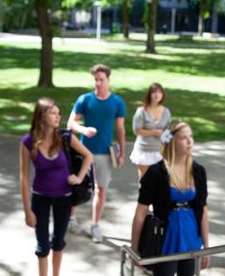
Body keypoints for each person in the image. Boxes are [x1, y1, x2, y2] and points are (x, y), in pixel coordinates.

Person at [20, 98, 93, 276]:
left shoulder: (65, 137)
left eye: (59, 113)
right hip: (40, 198)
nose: (58, 117)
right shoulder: (28, 142)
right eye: (53, 113)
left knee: (58, 242)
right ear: (41, 115)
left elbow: (88, 156)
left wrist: (79, 177)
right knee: (42, 245)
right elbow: (23, 177)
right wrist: (27, 211)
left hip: (65, 198)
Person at [131, 121, 210, 276]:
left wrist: (207, 247)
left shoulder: (198, 171)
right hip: (165, 239)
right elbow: (140, 214)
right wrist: (135, 249)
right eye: (183, 138)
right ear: (172, 142)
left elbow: (204, 209)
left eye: (191, 137)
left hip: (191, 237)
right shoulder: (155, 173)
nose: (190, 141)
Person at [67, 64, 126, 243]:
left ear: (109, 80)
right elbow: (70, 124)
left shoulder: (117, 102)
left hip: (105, 154)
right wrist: (83, 130)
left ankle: (95, 225)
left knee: (101, 189)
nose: (98, 83)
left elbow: (121, 129)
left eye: (102, 80)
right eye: (96, 79)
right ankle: (71, 218)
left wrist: (122, 153)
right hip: (84, 153)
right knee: (77, 185)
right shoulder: (84, 100)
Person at [130, 83, 172, 180]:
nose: (157, 95)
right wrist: (154, 132)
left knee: (160, 181)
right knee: (144, 181)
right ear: (149, 94)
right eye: (154, 92)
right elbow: (137, 131)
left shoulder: (166, 111)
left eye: (159, 92)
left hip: (160, 152)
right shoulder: (141, 111)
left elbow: (169, 130)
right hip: (144, 150)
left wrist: (167, 143)